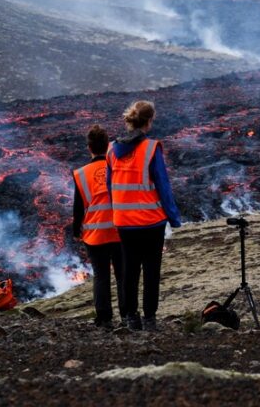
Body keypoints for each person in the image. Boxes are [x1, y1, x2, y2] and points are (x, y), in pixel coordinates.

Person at [106, 100, 181, 331]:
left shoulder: (111, 150)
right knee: (151, 270)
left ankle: (131, 317)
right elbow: (162, 184)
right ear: (149, 121)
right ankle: (149, 318)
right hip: (150, 222)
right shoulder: (151, 148)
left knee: (129, 270)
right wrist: (173, 217)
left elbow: (110, 185)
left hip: (124, 223)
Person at [72, 124, 125, 328]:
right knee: (123, 275)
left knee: (101, 276)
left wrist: (77, 230)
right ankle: (127, 314)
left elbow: (78, 208)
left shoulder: (81, 174)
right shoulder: (118, 167)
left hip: (95, 234)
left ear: (89, 147)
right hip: (120, 230)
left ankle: (104, 318)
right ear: (107, 146)